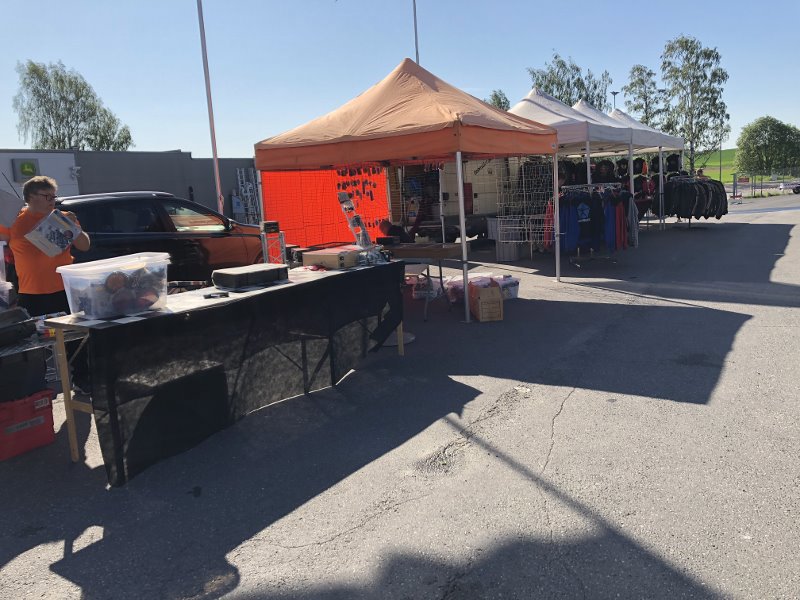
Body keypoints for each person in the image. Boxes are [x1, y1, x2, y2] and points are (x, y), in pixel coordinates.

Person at [10, 176, 90, 316]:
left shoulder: (63, 217)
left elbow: (85, 246)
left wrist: (74, 226)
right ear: (31, 197)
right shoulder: (13, 221)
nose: (52, 200)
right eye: (47, 196)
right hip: (30, 292)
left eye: (54, 196)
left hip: (64, 289)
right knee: (36, 330)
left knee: (70, 328)